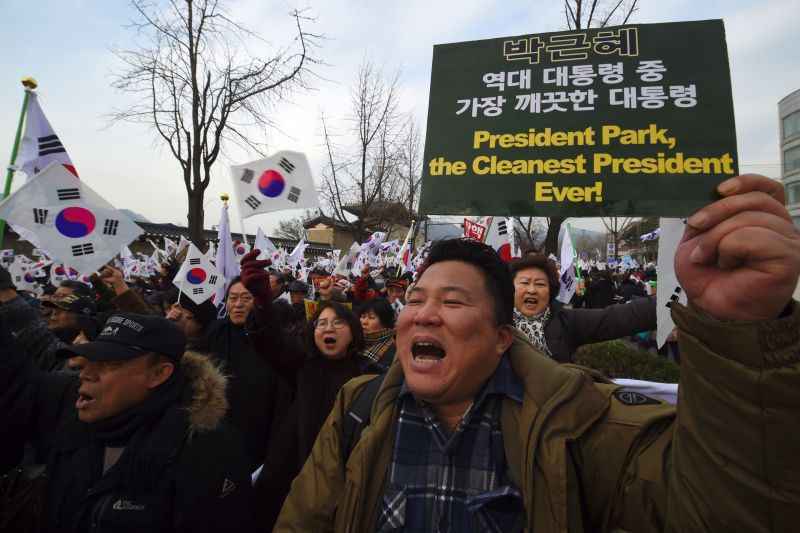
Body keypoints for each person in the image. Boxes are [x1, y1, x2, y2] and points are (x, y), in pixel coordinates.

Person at [273, 174, 800, 532]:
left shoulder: (584, 423)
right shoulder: (358, 411)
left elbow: (723, 509)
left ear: (503, 336)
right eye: (415, 299)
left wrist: (740, 332)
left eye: (452, 301)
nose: (424, 314)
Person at [0, 311, 256, 532]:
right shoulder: (72, 419)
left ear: (158, 374)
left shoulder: (208, 450)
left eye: (109, 364)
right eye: (89, 360)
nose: (87, 374)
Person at [253, 300, 365, 532]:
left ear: (353, 332)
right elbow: (270, 341)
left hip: (344, 480)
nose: (328, 328)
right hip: (292, 477)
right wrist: (262, 301)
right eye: (321, 323)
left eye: (338, 322)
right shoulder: (301, 366)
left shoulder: (369, 376)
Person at [510, 253, 656, 362]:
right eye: (524, 282)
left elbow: (613, 318)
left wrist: (667, 304)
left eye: (540, 284)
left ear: (551, 291)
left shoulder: (565, 322)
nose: (532, 290)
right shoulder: (497, 321)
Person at [357, 297, 397, 373]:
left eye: (371, 318)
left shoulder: (394, 350)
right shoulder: (353, 341)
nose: (364, 322)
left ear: (384, 322)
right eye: (363, 316)